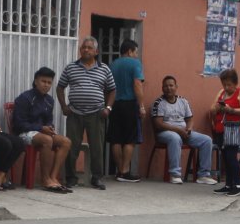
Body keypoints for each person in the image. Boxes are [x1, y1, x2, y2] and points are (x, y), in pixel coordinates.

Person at [57, 37, 116, 190]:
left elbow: (112, 90)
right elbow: (60, 87)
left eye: (89, 48)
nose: (86, 50)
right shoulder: (71, 67)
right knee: (72, 146)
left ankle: (97, 178)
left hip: (97, 113)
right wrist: (64, 106)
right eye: (83, 47)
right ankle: (71, 178)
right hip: (75, 113)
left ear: (96, 51)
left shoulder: (104, 68)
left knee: (97, 147)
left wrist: (108, 108)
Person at [13, 67, 73, 193]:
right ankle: (45, 179)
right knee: (47, 140)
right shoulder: (25, 98)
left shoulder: (49, 100)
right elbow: (19, 124)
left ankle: (53, 177)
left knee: (66, 142)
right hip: (24, 134)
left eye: (49, 82)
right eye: (43, 81)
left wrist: (50, 127)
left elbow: (48, 121)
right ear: (36, 81)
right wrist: (41, 128)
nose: (46, 85)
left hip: (42, 133)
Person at [150, 75, 215, 185]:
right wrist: (178, 131)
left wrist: (189, 129)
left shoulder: (183, 101)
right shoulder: (158, 103)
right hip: (164, 134)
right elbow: (159, 124)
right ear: (162, 88)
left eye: (171, 85)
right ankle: (175, 175)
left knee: (207, 140)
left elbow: (190, 119)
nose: (168, 88)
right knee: (174, 138)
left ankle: (203, 175)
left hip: (184, 132)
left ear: (176, 87)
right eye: (165, 86)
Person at [208, 68, 240, 197]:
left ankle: (238, 185)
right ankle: (228, 185)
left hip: (234, 130)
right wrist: (216, 108)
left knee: (231, 157)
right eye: (224, 84)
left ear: (235, 83)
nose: (226, 87)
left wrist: (231, 110)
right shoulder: (221, 93)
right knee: (226, 158)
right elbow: (212, 109)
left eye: (229, 85)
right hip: (221, 129)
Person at [108, 39, 145, 182]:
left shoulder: (112, 64)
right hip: (129, 104)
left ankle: (119, 171)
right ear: (129, 51)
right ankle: (125, 171)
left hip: (115, 104)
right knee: (130, 139)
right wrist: (141, 106)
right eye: (135, 52)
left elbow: (109, 87)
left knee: (116, 139)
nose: (136, 55)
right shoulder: (135, 63)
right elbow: (137, 84)